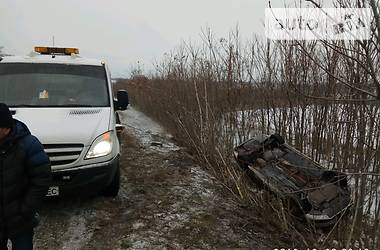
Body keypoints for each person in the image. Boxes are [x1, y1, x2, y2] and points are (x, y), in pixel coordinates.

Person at [0, 103, 52, 250]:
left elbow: (42, 180)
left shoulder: (29, 145)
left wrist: (26, 209)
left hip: (20, 220)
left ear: (5, 128)